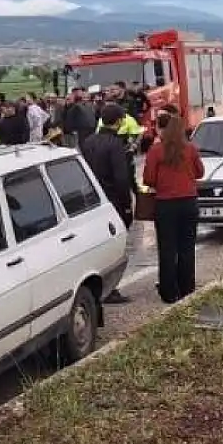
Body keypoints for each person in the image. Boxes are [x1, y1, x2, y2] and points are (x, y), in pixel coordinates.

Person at [142, 112, 204, 304]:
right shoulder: (191, 149)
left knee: (167, 249)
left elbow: (148, 179)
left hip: (166, 204)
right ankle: (187, 287)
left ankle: (169, 291)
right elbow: (200, 173)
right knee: (187, 247)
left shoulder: (156, 151)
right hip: (189, 203)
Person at [81, 103, 136, 305]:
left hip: (92, 201)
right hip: (113, 200)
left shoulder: (88, 142)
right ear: (120, 121)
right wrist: (128, 204)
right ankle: (110, 288)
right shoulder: (115, 145)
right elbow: (121, 179)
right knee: (115, 246)